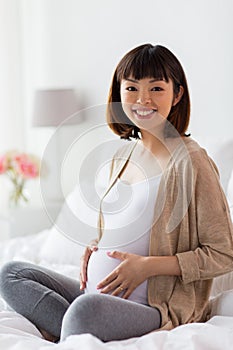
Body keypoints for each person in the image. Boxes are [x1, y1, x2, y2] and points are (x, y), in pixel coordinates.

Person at [0, 43, 233, 343]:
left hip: (150, 305)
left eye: (157, 89)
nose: (143, 99)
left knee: (83, 312)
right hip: (95, 293)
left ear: (177, 95)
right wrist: (96, 245)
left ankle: (74, 326)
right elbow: (128, 228)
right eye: (132, 88)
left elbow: (223, 253)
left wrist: (148, 267)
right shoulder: (121, 158)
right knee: (12, 274)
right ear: (119, 93)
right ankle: (77, 326)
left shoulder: (192, 161)